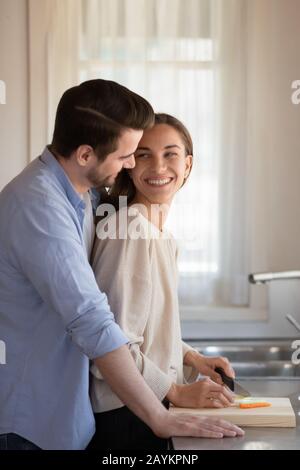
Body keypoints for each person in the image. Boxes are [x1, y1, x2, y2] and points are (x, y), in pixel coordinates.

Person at [0, 81, 244, 450]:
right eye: (128, 155)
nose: (132, 164)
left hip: (65, 417)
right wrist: (165, 407)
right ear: (85, 155)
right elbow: (96, 322)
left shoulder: (83, 196)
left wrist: (189, 357)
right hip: (30, 422)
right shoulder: (40, 206)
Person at [90, 113, 240, 450]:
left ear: (187, 165)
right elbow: (113, 341)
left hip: (143, 408)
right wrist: (175, 390)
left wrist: (192, 358)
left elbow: (146, 329)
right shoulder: (129, 229)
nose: (158, 167)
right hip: (125, 414)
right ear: (129, 163)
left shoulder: (161, 235)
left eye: (170, 154)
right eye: (144, 154)